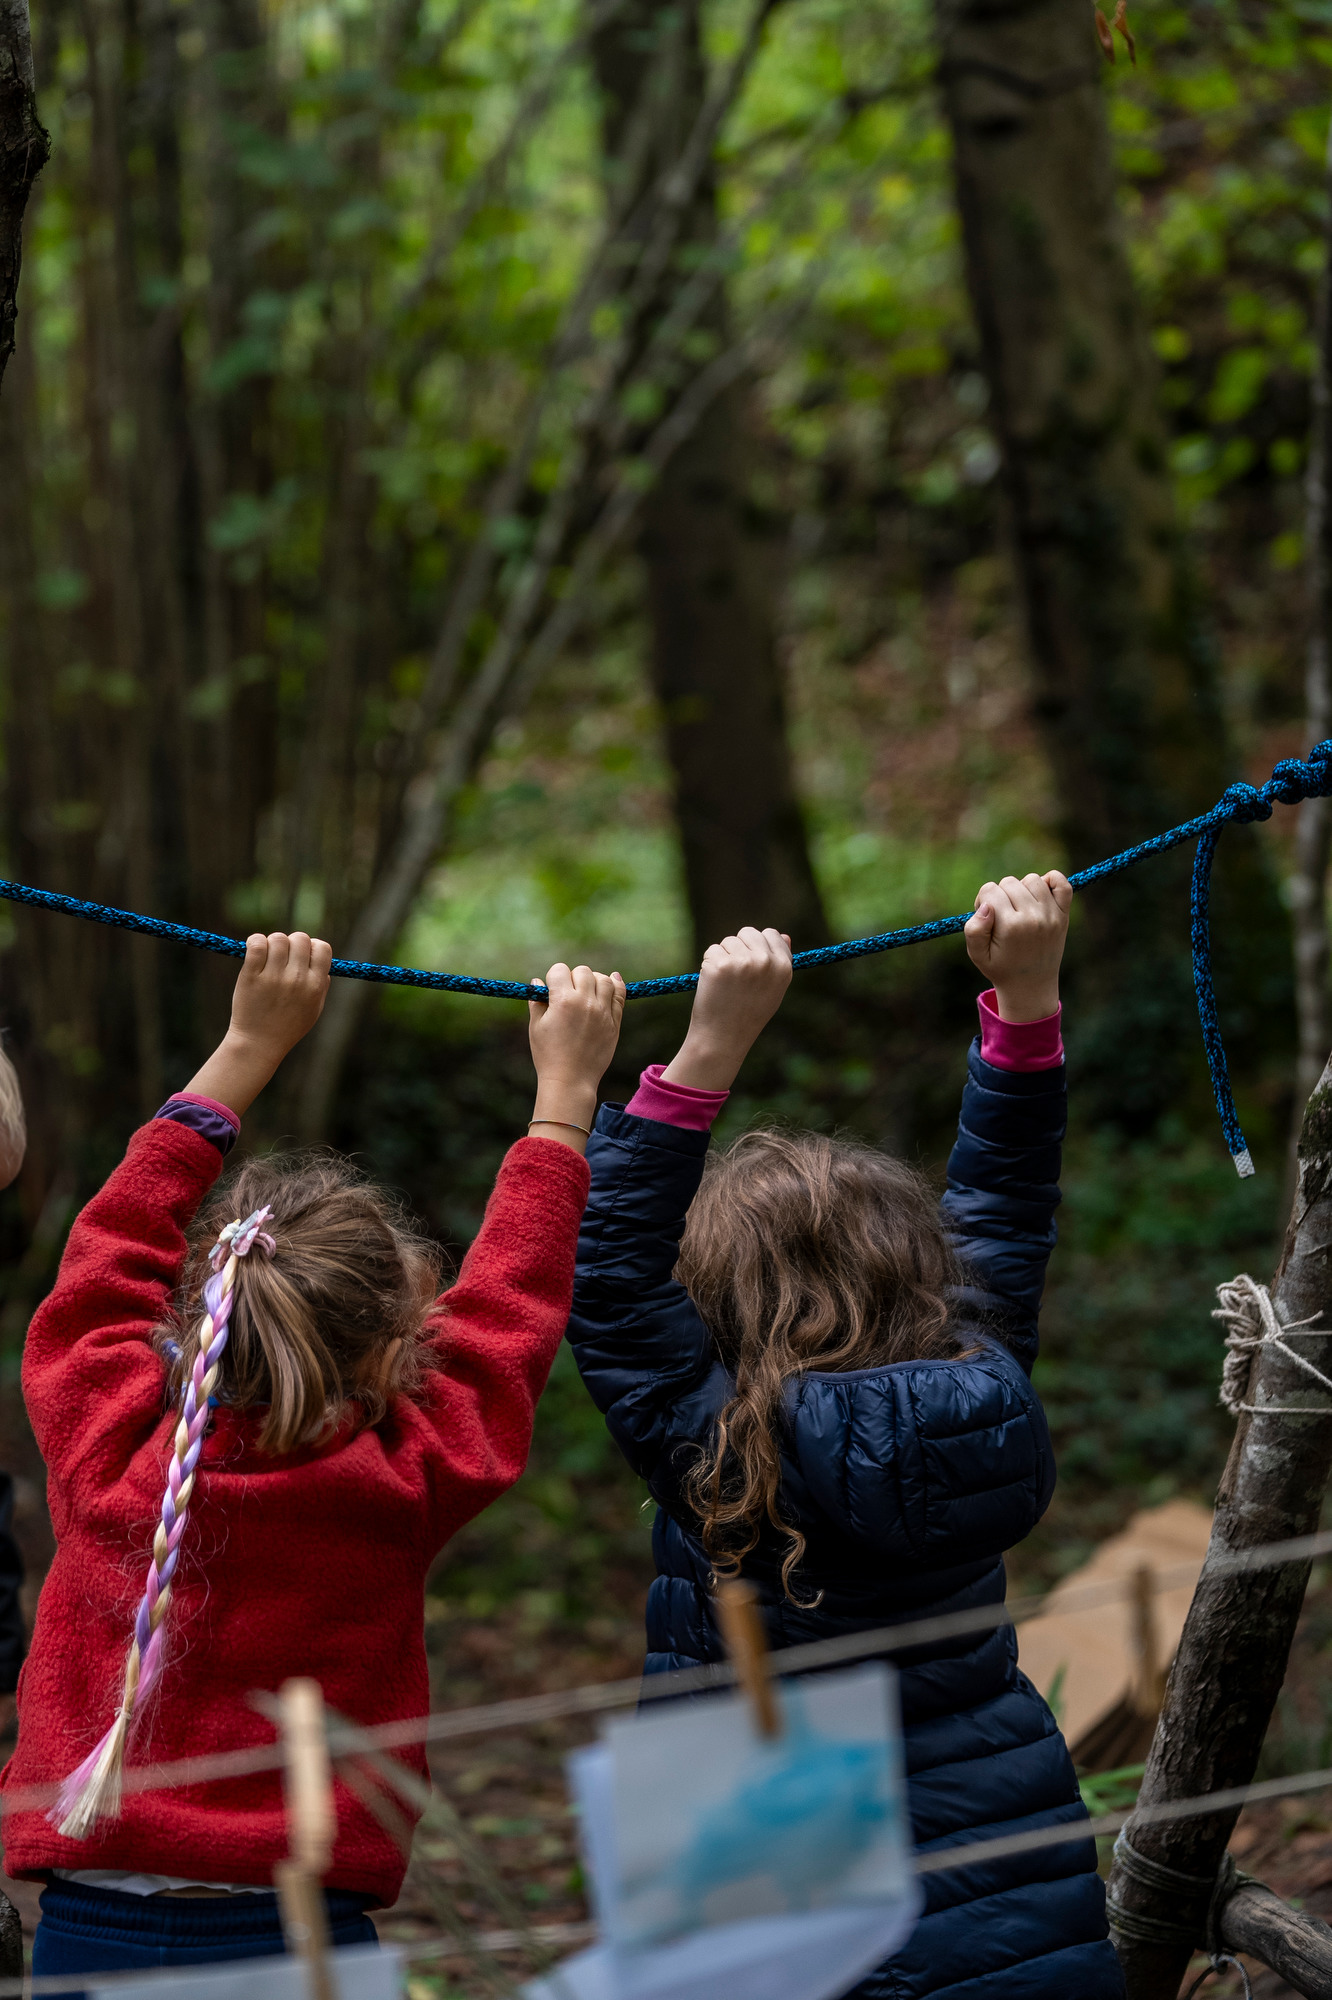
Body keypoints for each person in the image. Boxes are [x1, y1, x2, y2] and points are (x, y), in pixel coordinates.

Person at [1, 931, 625, 1990]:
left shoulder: (106, 1448)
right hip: (305, 1944)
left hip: (89, 1935)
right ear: (396, 1350)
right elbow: (509, 1315)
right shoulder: (404, 1477)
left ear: (203, 1307)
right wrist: (564, 1097)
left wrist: (246, 1046)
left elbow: (102, 1262)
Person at [567, 875, 1125, 2000]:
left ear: (715, 1303)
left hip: (770, 1856)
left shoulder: (727, 1452)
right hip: (1008, 1873)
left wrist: (707, 1046)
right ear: (926, 1272)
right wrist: (1027, 997)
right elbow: (1004, 1205)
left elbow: (611, 1278)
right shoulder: (980, 1379)